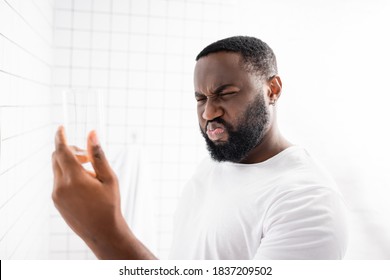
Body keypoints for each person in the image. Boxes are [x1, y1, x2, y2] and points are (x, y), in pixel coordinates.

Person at [52, 36, 348, 260]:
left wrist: (106, 233)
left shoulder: (308, 203)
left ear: (272, 90)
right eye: (200, 99)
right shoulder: (219, 163)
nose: (208, 113)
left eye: (226, 93)